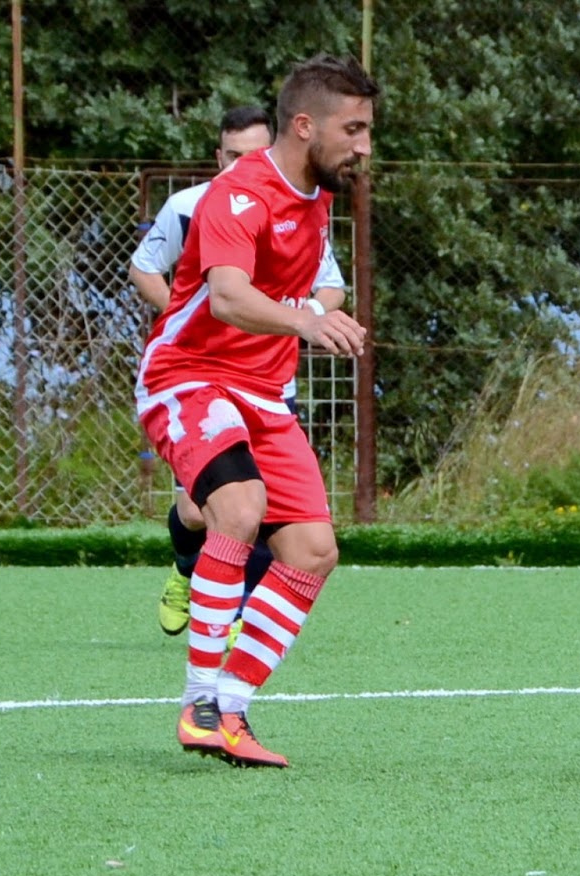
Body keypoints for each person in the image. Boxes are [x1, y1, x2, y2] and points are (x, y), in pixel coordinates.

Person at [135, 54, 379, 768]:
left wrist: (318, 315)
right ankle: (200, 705)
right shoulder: (237, 194)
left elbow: (307, 290)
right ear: (304, 125)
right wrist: (307, 321)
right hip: (188, 377)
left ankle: (232, 708)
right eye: (353, 129)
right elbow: (226, 297)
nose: (365, 146)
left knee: (313, 551)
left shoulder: (316, 199)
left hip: (263, 395)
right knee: (238, 508)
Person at [130, 105, 348, 638]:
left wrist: (303, 318)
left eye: (253, 153)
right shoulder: (190, 206)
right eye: (233, 155)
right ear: (217, 156)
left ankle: (237, 624)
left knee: (261, 512)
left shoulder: (303, 203)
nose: (243, 164)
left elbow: (330, 287)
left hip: (270, 385)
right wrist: (192, 314)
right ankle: (187, 570)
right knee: (200, 512)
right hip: (201, 381)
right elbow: (145, 269)